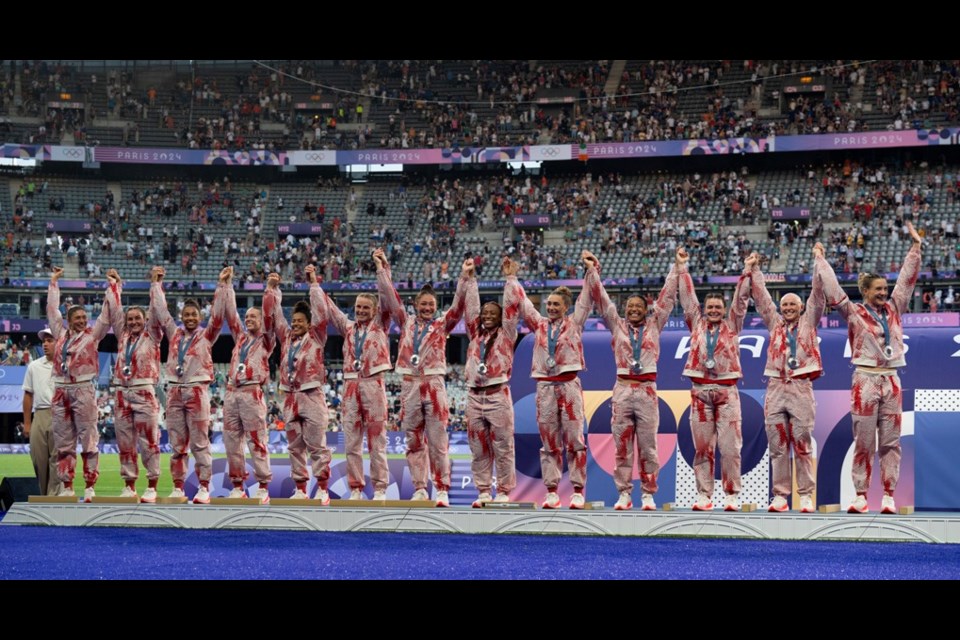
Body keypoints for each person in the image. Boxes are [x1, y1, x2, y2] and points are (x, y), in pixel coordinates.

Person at [821, 222, 922, 514]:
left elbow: (907, 281)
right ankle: (861, 495)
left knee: (891, 442)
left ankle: (889, 495)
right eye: (878, 289)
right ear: (865, 291)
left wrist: (915, 247)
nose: (884, 293)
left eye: (885, 289)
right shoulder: (853, 312)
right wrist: (821, 260)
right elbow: (834, 290)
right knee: (864, 440)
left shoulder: (894, 308)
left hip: (891, 379)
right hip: (864, 380)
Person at [376, 250, 472, 507]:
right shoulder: (405, 322)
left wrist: (464, 277)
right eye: (423, 304)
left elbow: (458, 307)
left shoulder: (442, 325)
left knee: (438, 439)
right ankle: (420, 487)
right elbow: (391, 297)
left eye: (431, 304)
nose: (427, 308)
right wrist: (383, 269)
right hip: (409, 384)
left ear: (435, 306)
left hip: (434, 383)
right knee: (413, 439)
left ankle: (441, 488)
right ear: (416, 304)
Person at [586, 249, 680, 511]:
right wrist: (592, 271)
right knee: (621, 446)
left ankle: (648, 494)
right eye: (630, 307)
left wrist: (676, 267)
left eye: (639, 307)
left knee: (649, 447)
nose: (634, 310)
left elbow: (667, 298)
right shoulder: (617, 325)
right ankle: (624, 493)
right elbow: (602, 300)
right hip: (623, 389)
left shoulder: (654, 325)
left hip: (647, 390)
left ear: (646, 310)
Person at [750, 244, 828, 513]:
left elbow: (818, 294)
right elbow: (760, 298)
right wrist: (755, 268)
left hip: (800, 386)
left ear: (801, 306)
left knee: (803, 442)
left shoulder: (809, 322)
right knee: (778, 445)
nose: (788, 308)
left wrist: (819, 261)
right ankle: (781, 496)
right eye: (784, 304)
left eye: (793, 304)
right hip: (775, 387)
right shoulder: (774, 323)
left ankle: (805, 495)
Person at [517, 252, 596, 509]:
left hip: (570, 384)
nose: (550, 308)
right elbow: (523, 302)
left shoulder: (575, 324)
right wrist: (511, 277)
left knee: (575, 440)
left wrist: (591, 271)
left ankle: (577, 490)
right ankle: (551, 490)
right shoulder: (538, 325)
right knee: (549, 440)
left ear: (566, 307)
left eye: (556, 305)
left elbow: (586, 299)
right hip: (545, 386)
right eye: (548, 304)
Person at [677, 248, 754, 511]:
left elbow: (741, 301)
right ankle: (704, 495)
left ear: (723, 310)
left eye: (717, 307)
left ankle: (731, 494)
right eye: (709, 307)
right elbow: (687, 300)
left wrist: (747, 271)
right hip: (699, 392)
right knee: (702, 448)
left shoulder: (732, 324)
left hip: (727, 391)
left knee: (730, 447)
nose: (713, 310)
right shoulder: (696, 323)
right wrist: (683, 267)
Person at [311, 266, 392, 501]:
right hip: (349, 387)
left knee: (377, 442)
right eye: (358, 307)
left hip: (373, 384)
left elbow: (387, 296)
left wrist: (381, 270)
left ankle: (379, 489)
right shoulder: (348, 328)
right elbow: (330, 307)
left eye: (366, 307)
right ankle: (356, 488)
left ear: (375, 310)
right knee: (352, 443)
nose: (361, 311)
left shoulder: (381, 325)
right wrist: (314, 284)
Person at [149, 265, 229, 504]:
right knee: (177, 444)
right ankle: (178, 486)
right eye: (187, 315)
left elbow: (218, 315)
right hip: (174, 390)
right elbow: (162, 312)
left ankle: (204, 486)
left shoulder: (207, 335)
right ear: (182, 317)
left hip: (196, 390)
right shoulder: (174, 334)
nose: (190, 318)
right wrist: (156, 284)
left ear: (200, 317)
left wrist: (222, 285)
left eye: (194, 315)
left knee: (200, 442)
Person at [47, 266, 121, 501]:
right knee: (63, 442)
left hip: (84, 389)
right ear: (68, 321)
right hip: (60, 389)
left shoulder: (92, 335)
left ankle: (89, 485)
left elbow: (107, 317)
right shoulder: (60, 335)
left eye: (83, 318)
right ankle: (67, 485)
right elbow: (52, 310)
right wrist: (54, 283)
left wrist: (113, 287)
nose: (81, 321)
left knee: (89, 439)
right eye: (76, 318)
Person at [263, 268, 332, 503]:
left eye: (301, 321)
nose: (295, 324)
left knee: (317, 446)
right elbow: (277, 316)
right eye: (294, 321)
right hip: (290, 397)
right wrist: (273, 289)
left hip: (311, 394)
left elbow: (322, 312)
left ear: (309, 323)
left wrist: (313, 283)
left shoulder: (316, 337)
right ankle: (301, 489)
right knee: (294, 447)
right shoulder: (286, 337)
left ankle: (323, 489)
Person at [463, 258, 521, 507]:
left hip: (498, 394)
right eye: (485, 313)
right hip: (474, 395)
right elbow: (471, 308)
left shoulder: (508, 334)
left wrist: (510, 278)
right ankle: (483, 490)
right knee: (478, 447)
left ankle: (505, 491)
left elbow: (511, 307)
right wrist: (471, 278)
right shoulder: (474, 334)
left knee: (503, 446)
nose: (487, 316)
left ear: (501, 318)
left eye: (492, 314)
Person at [219, 266, 276, 503]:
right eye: (248, 317)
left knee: (256, 440)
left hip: (252, 391)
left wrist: (271, 290)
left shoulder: (267, 339)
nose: (248, 319)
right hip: (232, 392)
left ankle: (263, 485)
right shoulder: (240, 338)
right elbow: (231, 313)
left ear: (262, 321)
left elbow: (271, 316)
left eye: (254, 316)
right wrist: (227, 285)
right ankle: (237, 485)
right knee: (232, 442)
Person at [110, 268, 163, 503]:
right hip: (122, 391)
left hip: (144, 391)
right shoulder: (122, 337)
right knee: (125, 442)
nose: (133, 322)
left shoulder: (152, 335)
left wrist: (155, 285)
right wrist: (116, 286)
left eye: (137, 319)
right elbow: (114, 312)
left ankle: (152, 486)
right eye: (130, 319)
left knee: (149, 441)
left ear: (145, 321)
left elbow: (156, 310)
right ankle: (129, 485)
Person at [22, 328, 61, 496]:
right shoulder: (34, 366)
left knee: (57, 460)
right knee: (38, 459)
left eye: (49, 340)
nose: (45, 344)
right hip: (40, 413)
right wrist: (28, 423)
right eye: (43, 341)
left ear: (59, 342)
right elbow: (28, 394)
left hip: (61, 414)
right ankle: (43, 495)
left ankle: (54, 497)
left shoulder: (67, 365)